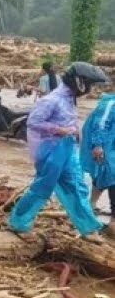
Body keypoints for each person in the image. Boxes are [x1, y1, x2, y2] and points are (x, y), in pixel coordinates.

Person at [9, 62, 113, 240]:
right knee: (42, 187)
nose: (89, 89)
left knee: (76, 186)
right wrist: (58, 129)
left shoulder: (70, 98)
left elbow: (69, 119)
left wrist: (74, 130)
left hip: (67, 148)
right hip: (50, 150)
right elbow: (33, 122)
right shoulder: (52, 100)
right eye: (88, 84)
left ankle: (88, 229)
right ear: (79, 81)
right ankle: (18, 223)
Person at [81, 92, 115, 215]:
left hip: (111, 141)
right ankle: (113, 218)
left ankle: (91, 204)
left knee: (104, 173)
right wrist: (98, 144)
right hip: (102, 141)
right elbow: (100, 124)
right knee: (111, 173)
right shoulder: (110, 104)